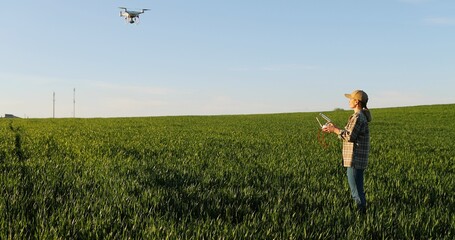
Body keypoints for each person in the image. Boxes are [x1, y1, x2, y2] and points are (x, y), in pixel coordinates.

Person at [323, 90, 371, 214]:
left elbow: (350, 136)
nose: (349, 101)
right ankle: (362, 213)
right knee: (358, 189)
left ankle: (361, 215)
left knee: (356, 191)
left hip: (354, 159)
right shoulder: (360, 116)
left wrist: (335, 130)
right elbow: (349, 134)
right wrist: (335, 129)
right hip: (356, 159)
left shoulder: (358, 117)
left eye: (351, 99)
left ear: (356, 102)